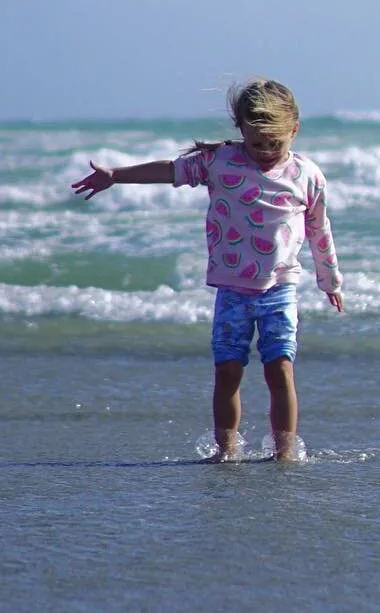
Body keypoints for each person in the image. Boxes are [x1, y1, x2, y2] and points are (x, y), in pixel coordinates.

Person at [72, 78, 343, 462]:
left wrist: (330, 280)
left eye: (275, 143)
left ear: (294, 130)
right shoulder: (220, 162)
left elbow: (319, 228)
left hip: (280, 288)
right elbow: (170, 171)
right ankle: (226, 451)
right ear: (240, 130)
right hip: (232, 289)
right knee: (228, 371)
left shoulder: (307, 175)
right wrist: (116, 176)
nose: (265, 152)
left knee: (280, 369)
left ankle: (284, 454)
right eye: (256, 143)